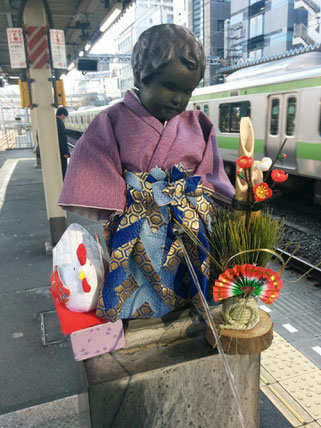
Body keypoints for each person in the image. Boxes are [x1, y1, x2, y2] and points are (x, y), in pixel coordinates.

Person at [59, 24, 235, 322]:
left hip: (186, 222)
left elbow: (210, 173)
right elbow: (95, 166)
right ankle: (135, 316)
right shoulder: (111, 120)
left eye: (187, 91)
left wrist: (228, 197)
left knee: (187, 274)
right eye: (170, 86)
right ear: (142, 76)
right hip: (136, 221)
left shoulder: (198, 123)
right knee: (137, 274)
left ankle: (189, 309)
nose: (179, 100)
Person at [56, 107, 70, 179]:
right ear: (62, 114)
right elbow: (63, 138)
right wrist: (66, 152)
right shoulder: (60, 123)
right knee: (64, 169)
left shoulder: (54, 121)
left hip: (57, 149)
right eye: (65, 116)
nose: (64, 118)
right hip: (61, 151)